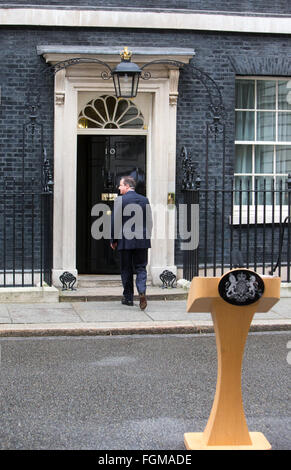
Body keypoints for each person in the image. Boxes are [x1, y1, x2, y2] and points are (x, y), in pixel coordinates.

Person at [110, 176, 152, 310]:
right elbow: (149, 222)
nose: (119, 188)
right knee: (141, 268)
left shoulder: (120, 200)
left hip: (125, 240)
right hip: (141, 240)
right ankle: (142, 291)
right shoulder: (144, 200)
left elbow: (115, 222)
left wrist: (113, 240)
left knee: (126, 269)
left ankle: (128, 298)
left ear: (127, 186)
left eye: (120, 185)